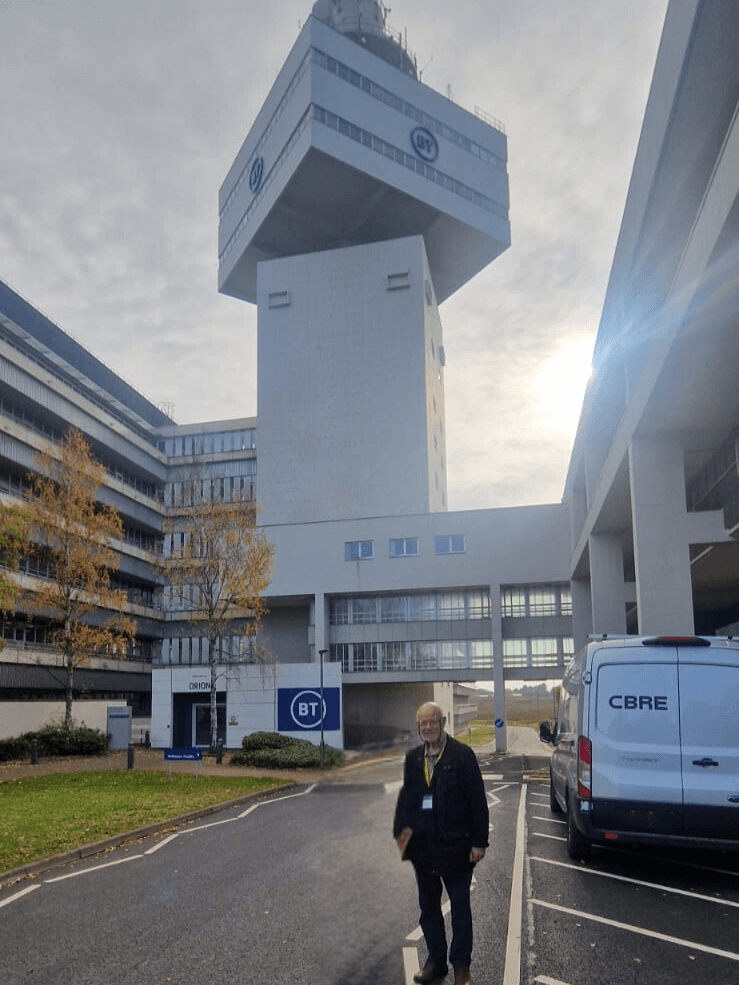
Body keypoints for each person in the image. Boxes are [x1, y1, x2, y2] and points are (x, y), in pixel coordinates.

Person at [393, 702, 489, 985]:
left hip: (457, 849)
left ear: (443, 722)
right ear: (418, 725)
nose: (428, 727)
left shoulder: (462, 755)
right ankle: (436, 963)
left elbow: (478, 803)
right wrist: (403, 839)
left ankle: (461, 968)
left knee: (460, 910)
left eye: (433, 722)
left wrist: (479, 843)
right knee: (428, 910)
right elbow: (407, 801)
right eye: (423, 723)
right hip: (424, 851)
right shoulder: (413, 758)